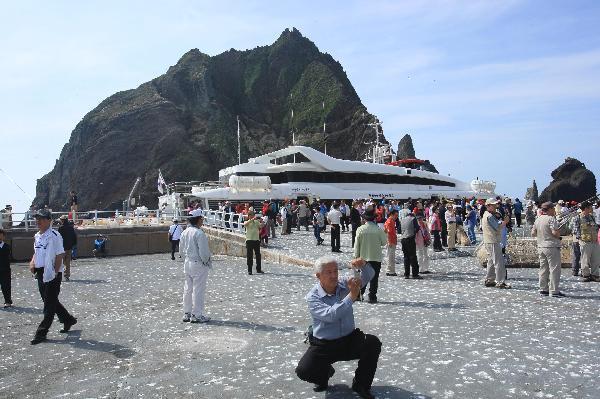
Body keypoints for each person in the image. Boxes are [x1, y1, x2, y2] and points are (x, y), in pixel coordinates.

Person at [295, 256, 381, 399]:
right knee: (304, 370)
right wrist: (351, 297)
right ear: (318, 276)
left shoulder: (343, 284)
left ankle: (361, 384)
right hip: (324, 344)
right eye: (328, 272)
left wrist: (363, 265)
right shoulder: (313, 297)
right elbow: (330, 315)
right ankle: (324, 374)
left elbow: (369, 275)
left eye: (335, 271)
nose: (334, 275)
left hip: (349, 339)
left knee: (372, 343)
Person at [29, 209, 77, 345]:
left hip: (51, 273)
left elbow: (60, 255)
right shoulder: (37, 236)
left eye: (41, 219)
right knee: (49, 300)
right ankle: (68, 319)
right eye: (37, 218)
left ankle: (41, 333)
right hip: (40, 272)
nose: (38, 221)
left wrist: (55, 273)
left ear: (49, 220)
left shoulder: (55, 236)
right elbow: (36, 252)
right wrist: (32, 262)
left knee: (48, 305)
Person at [179, 209, 212, 323]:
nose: (202, 221)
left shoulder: (185, 232)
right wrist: (206, 261)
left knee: (188, 288)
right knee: (198, 290)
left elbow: (181, 250)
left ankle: (187, 313)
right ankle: (197, 315)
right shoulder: (199, 233)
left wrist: (186, 258)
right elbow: (204, 252)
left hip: (187, 262)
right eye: (202, 219)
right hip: (198, 263)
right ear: (198, 220)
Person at [531, 202, 564, 297]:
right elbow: (555, 233)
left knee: (543, 269)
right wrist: (558, 234)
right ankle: (554, 291)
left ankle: (543, 289)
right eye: (553, 208)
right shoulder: (551, 219)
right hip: (551, 247)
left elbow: (533, 233)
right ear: (549, 209)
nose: (554, 210)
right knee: (554, 269)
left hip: (541, 247)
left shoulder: (538, 219)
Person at [354, 208, 386, 303]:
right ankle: (372, 296)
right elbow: (384, 242)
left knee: (363, 277)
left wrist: (356, 257)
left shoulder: (360, 229)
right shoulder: (378, 230)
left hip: (363, 258)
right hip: (376, 257)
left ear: (365, 219)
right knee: (374, 278)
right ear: (374, 219)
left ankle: (360, 295)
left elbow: (356, 245)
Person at [482, 198, 510, 289]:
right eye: (493, 205)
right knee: (499, 261)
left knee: (491, 261)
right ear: (488, 206)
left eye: (495, 205)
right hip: (493, 240)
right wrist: (505, 222)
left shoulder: (486, 214)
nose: (495, 207)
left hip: (488, 240)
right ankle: (500, 281)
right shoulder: (489, 216)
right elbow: (497, 227)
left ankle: (489, 280)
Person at [572, 201, 600, 282]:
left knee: (596, 259)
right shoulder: (577, 217)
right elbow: (575, 229)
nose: (592, 208)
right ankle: (586, 275)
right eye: (590, 207)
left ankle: (595, 275)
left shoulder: (592, 217)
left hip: (594, 241)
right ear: (586, 208)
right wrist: (581, 239)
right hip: (585, 241)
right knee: (585, 260)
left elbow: (596, 227)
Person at [400, 209, 421, 279]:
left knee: (406, 257)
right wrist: (414, 232)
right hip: (410, 238)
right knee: (413, 256)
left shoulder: (402, 220)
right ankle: (415, 274)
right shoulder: (413, 219)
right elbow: (417, 228)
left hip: (403, 239)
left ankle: (406, 274)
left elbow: (400, 230)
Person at [57, 215, 77, 281]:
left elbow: (58, 238)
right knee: (67, 262)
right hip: (69, 247)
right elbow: (74, 237)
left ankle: (58, 275)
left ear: (62, 220)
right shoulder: (71, 228)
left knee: (60, 261)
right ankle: (67, 275)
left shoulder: (60, 228)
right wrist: (73, 244)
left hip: (62, 248)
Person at [243, 210, 263, 275]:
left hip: (256, 240)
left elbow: (261, 226)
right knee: (249, 256)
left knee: (258, 255)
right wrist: (251, 220)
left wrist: (263, 222)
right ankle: (249, 270)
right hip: (249, 240)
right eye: (251, 215)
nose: (252, 216)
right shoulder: (247, 221)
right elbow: (245, 225)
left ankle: (258, 269)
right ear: (248, 216)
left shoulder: (256, 222)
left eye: (253, 214)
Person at [383, 209, 398, 276]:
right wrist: (389, 241)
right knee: (390, 257)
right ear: (391, 214)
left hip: (391, 240)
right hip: (391, 241)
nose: (396, 217)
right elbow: (388, 232)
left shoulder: (390, 221)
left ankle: (389, 270)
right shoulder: (389, 221)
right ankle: (390, 271)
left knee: (390, 256)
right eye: (396, 215)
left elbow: (385, 231)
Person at [0, 229, 12, 307]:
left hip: (5, 270)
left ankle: (8, 301)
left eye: (1, 235)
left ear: (4, 236)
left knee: (6, 286)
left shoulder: (7, 246)